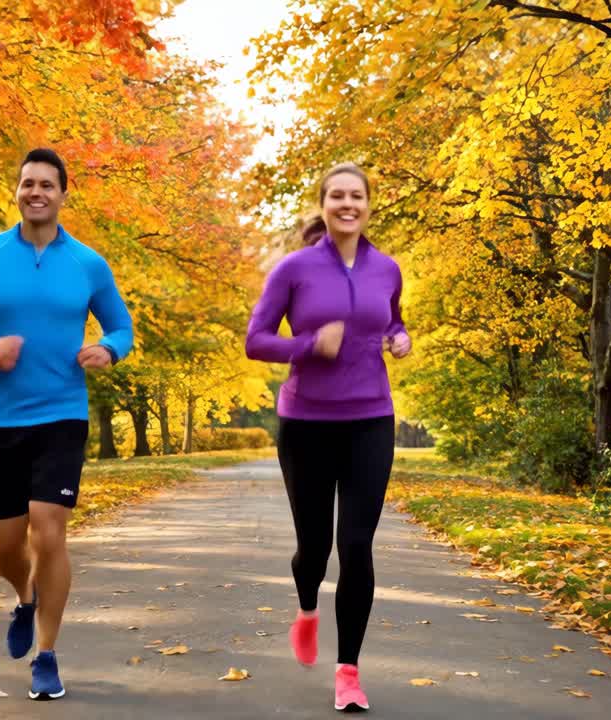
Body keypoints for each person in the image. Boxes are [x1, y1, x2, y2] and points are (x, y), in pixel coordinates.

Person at [0, 148, 133, 701]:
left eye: (47, 184)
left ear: (63, 194)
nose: (36, 191)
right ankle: (24, 597)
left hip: (62, 416)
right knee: (3, 550)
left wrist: (108, 351)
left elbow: (122, 327)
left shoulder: (88, 264)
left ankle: (47, 654)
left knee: (50, 531)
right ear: (17, 192)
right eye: (28, 183)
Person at [245, 163, 411, 713]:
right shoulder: (293, 269)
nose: (347, 204)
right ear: (323, 205)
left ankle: (348, 672)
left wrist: (399, 336)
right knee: (313, 551)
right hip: (306, 424)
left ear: (368, 205)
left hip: (370, 420)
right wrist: (309, 345)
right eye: (336, 196)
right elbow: (257, 341)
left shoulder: (386, 269)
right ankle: (307, 608)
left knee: (357, 546)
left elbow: (391, 319)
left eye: (356, 196)